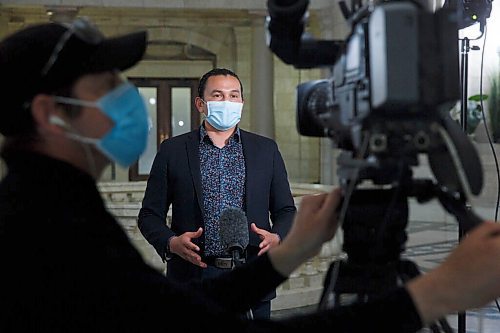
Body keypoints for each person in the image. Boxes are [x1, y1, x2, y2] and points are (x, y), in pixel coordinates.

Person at [2, 18, 500, 333]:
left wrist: (289, 251)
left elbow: (182, 319)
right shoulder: (45, 227)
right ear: (52, 113)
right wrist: (432, 295)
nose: (126, 100)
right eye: (107, 85)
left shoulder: (56, 200)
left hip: (245, 268)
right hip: (194, 269)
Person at [137, 67, 296, 319]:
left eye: (234, 96)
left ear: (242, 102)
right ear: (201, 104)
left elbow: (286, 209)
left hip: (252, 273)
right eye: (218, 95)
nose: (227, 102)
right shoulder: (173, 151)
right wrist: (170, 242)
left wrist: (278, 237)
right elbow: (148, 215)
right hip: (193, 277)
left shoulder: (265, 150)